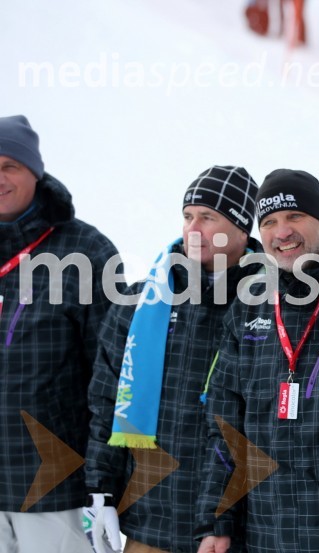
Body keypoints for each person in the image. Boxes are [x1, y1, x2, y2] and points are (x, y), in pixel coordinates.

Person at [195, 169, 319, 553]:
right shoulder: (251, 301)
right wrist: (217, 519)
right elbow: (225, 423)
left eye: (294, 216)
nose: (282, 232)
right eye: (269, 222)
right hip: (265, 533)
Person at [84, 166, 262, 553]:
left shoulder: (271, 303)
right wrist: (101, 492)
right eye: (187, 216)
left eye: (208, 217)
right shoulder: (140, 301)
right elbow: (106, 402)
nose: (192, 228)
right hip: (150, 520)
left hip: (235, 530)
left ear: (241, 228)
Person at [0, 115, 120, 551]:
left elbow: (113, 378)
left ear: (34, 171)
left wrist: (102, 479)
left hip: (57, 491)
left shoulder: (84, 252)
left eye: (9, 166)